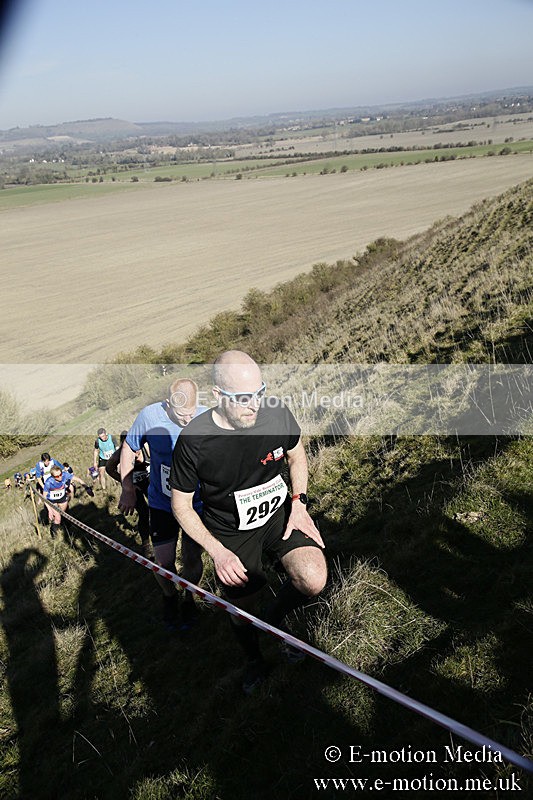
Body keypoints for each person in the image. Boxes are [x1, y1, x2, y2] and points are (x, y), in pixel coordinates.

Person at [170, 350, 327, 693]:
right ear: (217, 397)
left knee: (313, 578)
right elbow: (181, 505)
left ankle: (272, 623)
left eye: (259, 393)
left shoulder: (275, 414)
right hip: (231, 532)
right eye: (243, 398)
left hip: (279, 515)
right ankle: (254, 659)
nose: (254, 405)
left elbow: (297, 455)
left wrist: (299, 504)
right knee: (241, 610)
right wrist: (216, 551)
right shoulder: (194, 442)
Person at [118, 378, 207, 632]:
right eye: (181, 415)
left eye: (191, 413)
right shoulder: (149, 416)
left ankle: (190, 599)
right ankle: (170, 597)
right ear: (168, 404)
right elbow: (128, 448)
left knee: (191, 558)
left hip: (195, 504)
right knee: (164, 562)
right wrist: (128, 489)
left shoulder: (205, 417)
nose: (187, 420)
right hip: (161, 503)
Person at [106, 431, 151, 556]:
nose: (134, 453)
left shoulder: (147, 446)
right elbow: (109, 468)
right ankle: (146, 544)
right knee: (143, 512)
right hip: (133, 486)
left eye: (136, 449)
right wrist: (127, 484)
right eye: (131, 450)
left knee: (158, 506)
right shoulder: (121, 453)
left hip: (150, 481)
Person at [42, 464, 92, 538]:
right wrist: (49, 510)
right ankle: (54, 535)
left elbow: (78, 479)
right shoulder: (49, 482)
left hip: (62, 498)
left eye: (60, 474)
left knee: (64, 514)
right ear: (53, 476)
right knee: (57, 518)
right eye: (57, 476)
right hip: (52, 500)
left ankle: (67, 530)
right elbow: (44, 497)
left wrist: (86, 488)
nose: (60, 477)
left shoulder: (65, 475)